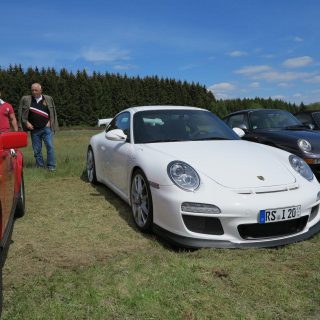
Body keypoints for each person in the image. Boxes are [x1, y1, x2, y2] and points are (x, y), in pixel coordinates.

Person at [19, 83, 58, 171]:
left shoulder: (48, 99)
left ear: (41, 90)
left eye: (36, 90)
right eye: (32, 90)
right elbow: (21, 113)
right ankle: (40, 166)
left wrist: (49, 122)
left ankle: (51, 166)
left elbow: (53, 112)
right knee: (37, 150)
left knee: (50, 147)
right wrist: (27, 123)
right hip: (34, 130)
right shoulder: (27, 99)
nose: (34, 92)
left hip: (46, 128)